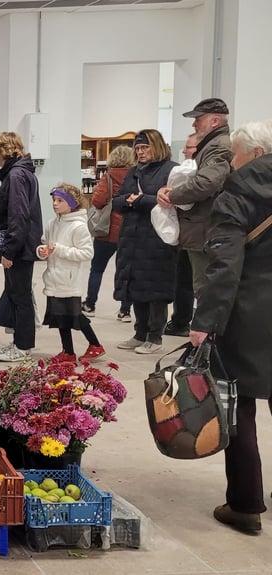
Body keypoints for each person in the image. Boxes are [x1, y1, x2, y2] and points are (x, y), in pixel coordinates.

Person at [189, 119, 272, 534]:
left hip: (250, 315)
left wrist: (204, 321)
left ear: (255, 155)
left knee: (237, 406)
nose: (231, 164)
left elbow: (225, 265)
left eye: (235, 156)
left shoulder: (239, 191)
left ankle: (245, 505)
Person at [158, 97, 234, 294]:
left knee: (206, 291)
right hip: (202, 230)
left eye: (198, 119)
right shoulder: (213, 144)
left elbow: (206, 182)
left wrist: (173, 196)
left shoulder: (218, 146)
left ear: (215, 121)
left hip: (205, 230)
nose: (194, 123)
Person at [113, 129, 178, 354]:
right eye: (138, 148)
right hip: (132, 238)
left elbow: (171, 201)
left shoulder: (171, 170)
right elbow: (118, 201)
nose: (140, 152)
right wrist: (131, 202)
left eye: (144, 147)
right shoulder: (133, 172)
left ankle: (155, 336)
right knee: (136, 287)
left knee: (156, 289)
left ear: (156, 146)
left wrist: (140, 200)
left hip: (157, 239)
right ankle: (140, 333)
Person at [37, 183, 105, 363]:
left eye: (60, 200)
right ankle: (68, 351)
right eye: (53, 200)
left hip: (69, 280)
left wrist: (59, 250)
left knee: (74, 316)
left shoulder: (78, 226)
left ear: (71, 203)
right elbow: (45, 242)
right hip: (53, 278)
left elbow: (86, 253)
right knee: (61, 317)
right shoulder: (52, 224)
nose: (55, 204)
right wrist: (42, 250)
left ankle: (95, 344)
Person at [0, 132, 43, 362]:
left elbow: (18, 216)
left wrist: (10, 251)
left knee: (20, 296)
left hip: (20, 248)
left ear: (3, 150)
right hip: (19, 245)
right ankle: (18, 341)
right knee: (15, 293)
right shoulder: (17, 173)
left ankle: (23, 346)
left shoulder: (17, 175)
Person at [83, 145, 135, 321]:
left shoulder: (108, 177)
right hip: (129, 230)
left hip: (107, 230)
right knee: (126, 270)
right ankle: (125, 310)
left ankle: (90, 304)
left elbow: (97, 201)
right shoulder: (137, 175)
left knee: (97, 268)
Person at [164, 133, 202, 336]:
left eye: (189, 148)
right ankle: (180, 320)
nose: (185, 152)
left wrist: (170, 195)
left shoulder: (202, 173)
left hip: (197, 237)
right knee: (183, 281)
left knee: (194, 284)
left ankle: (191, 325)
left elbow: (189, 196)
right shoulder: (183, 170)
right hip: (184, 235)